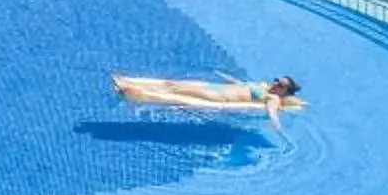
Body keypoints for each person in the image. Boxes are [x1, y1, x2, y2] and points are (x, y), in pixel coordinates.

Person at [112, 73, 305, 125]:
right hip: (213, 87)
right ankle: (129, 81)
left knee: (174, 94)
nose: (275, 84)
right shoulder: (264, 87)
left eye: (280, 85)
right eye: (276, 81)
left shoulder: (272, 98)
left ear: (283, 92)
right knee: (172, 84)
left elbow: (272, 112)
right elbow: (244, 86)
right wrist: (232, 80)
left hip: (214, 95)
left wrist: (277, 126)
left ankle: (129, 89)